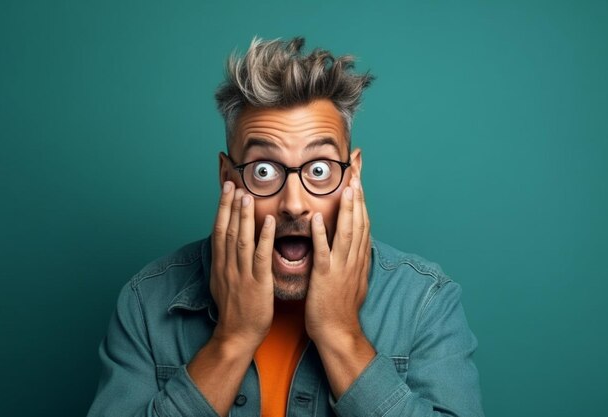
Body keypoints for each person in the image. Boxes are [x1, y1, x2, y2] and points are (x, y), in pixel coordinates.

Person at [87, 37, 484, 417]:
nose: (294, 203)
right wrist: (232, 340)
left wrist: (341, 335)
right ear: (228, 176)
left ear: (353, 175)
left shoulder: (424, 302)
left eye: (319, 169)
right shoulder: (147, 302)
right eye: (264, 170)